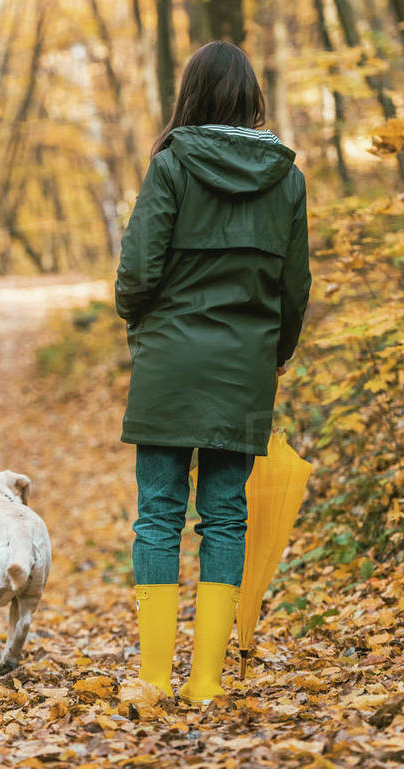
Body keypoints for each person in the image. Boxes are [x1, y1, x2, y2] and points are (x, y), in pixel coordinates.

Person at [114, 41, 311, 703]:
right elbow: (294, 286)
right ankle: (204, 684)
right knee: (225, 518)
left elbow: (138, 272)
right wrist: (273, 354)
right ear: (252, 97)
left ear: (190, 96)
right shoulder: (287, 178)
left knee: (158, 516)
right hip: (242, 368)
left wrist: (138, 321)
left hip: (170, 361)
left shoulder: (170, 165)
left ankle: (152, 679)